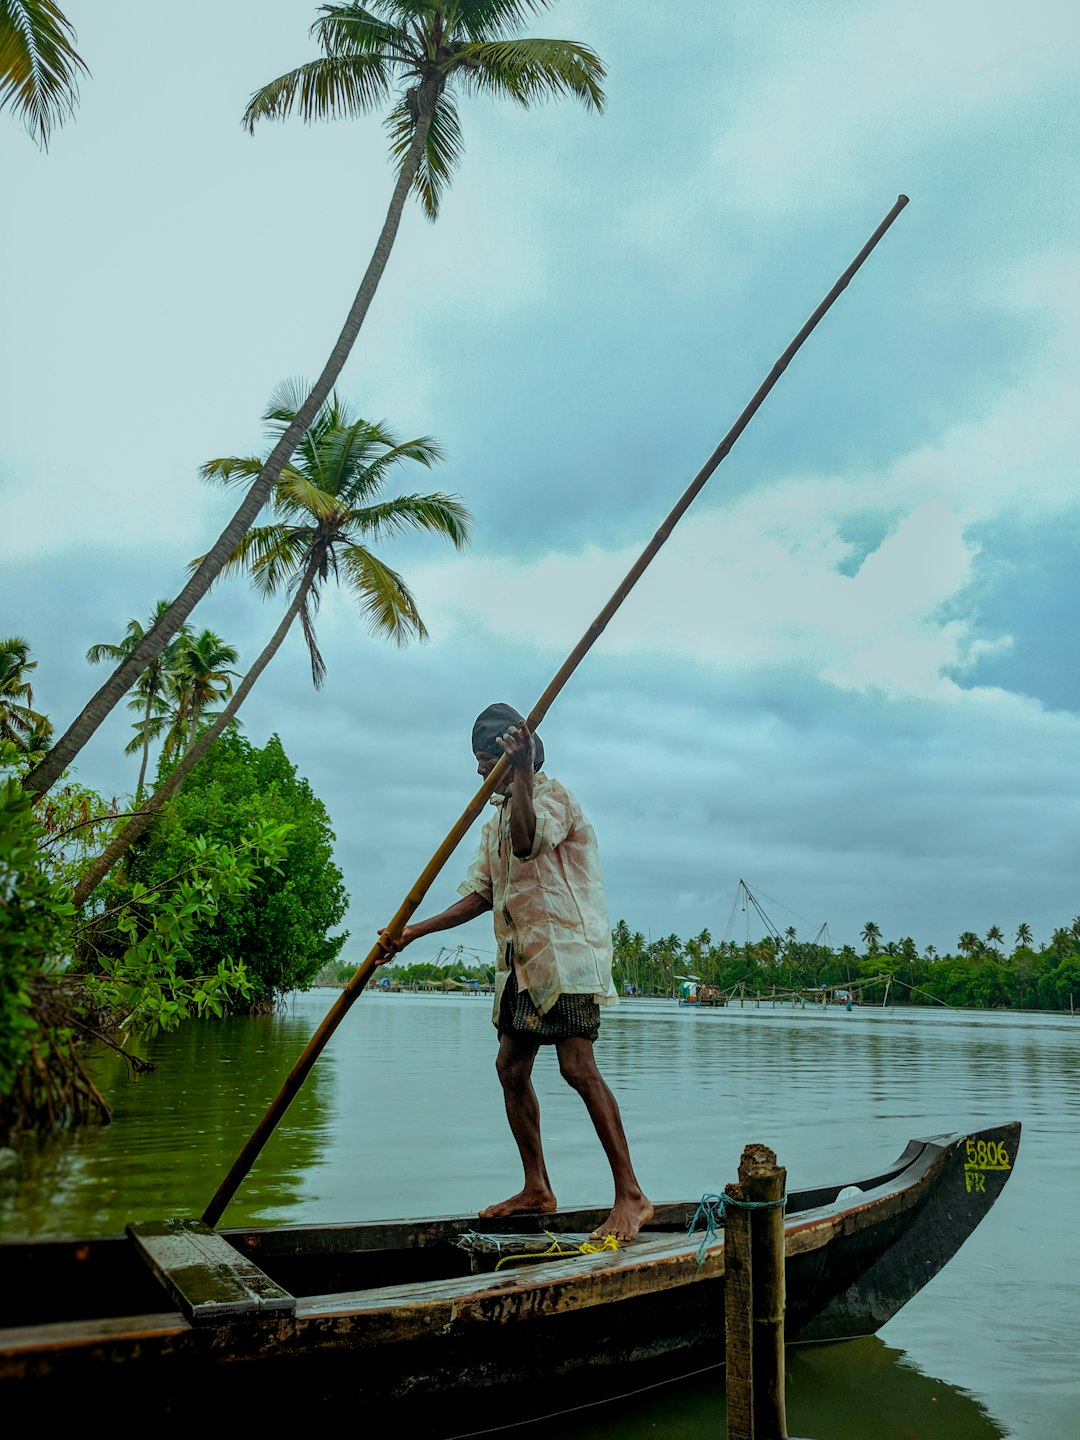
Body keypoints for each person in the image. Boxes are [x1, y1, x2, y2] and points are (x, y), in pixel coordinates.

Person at [379, 702, 653, 1240]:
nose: (479, 771)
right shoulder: (495, 821)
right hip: (519, 965)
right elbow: (483, 894)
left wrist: (524, 772)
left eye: (486, 760)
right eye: (481, 762)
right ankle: (537, 1188)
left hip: (566, 960)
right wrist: (412, 934)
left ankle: (632, 1196)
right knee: (510, 1066)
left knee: (577, 1067)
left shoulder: (553, 798)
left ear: (512, 760)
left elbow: (529, 843)